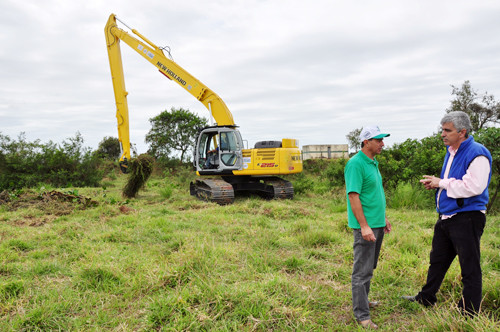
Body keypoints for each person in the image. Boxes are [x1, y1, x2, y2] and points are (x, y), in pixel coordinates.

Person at [403, 111, 492, 316]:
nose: (442, 134)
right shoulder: (451, 150)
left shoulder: (477, 153)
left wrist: (441, 183)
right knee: (438, 260)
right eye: (442, 129)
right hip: (447, 216)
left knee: (469, 268)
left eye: (447, 130)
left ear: (462, 132)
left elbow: (475, 187)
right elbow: (455, 180)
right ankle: (426, 298)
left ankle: (469, 313)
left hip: (467, 217)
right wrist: (437, 183)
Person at [344, 125, 392, 329]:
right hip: (367, 227)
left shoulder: (373, 162)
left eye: (382, 140)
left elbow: (373, 194)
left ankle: (364, 301)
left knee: (369, 267)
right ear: (366, 142)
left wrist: (384, 218)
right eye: (378, 140)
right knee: (361, 271)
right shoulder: (356, 164)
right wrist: (364, 226)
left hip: (377, 223)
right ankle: (362, 315)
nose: (382, 144)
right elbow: (353, 196)